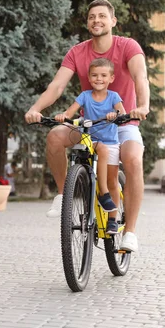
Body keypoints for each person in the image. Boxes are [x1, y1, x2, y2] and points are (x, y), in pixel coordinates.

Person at [25, 0, 149, 252]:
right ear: (87, 22)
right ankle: (63, 195)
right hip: (90, 124)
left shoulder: (128, 46)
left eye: (102, 16)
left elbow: (140, 77)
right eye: (92, 17)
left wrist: (143, 105)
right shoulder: (77, 52)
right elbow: (57, 86)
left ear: (113, 21)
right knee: (55, 137)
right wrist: (36, 109)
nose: (97, 21)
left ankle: (131, 232)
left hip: (123, 122)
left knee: (134, 160)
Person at [53, 58, 126, 234]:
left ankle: (112, 218)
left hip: (110, 142)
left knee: (112, 180)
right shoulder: (85, 96)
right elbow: (70, 111)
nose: (98, 79)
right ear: (89, 77)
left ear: (111, 78)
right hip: (90, 139)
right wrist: (63, 116)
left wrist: (114, 114)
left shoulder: (113, 97)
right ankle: (99, 193)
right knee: (96, 149)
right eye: (94, 75)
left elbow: (122, 112)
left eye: (103, 75)